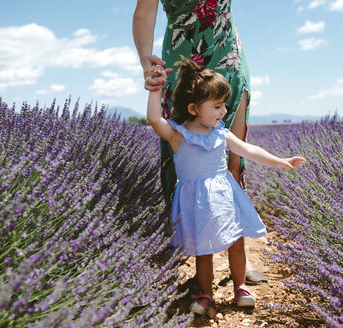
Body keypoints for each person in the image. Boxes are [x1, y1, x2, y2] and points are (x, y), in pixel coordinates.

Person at [146, 58, 306, 314]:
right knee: (203, 250)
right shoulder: (178, 135)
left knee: (236, 242)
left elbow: (249, 150)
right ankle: (206, 293)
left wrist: (280, 162)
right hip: (196, 200)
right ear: (193, 108)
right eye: (217, 106)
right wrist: (155, 89)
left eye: (224, 106)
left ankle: (241, 287)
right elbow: (155, 119)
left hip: (225, 196)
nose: (223, 112)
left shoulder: (220, 133)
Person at [133, 0, 267, 285]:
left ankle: (238, 259)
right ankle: (189, 255)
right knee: (183, 160)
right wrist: (146, 61)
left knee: (231, 158)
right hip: (181, 56)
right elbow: (145, 11)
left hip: (225, 49)